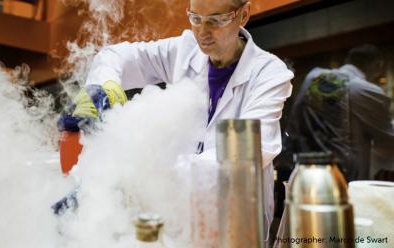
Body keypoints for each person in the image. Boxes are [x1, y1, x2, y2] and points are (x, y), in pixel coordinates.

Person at [64, 0, 294, 241]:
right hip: (177, 220)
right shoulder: (184, 49)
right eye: (195, 18)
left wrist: (141, 171)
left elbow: (248, 154)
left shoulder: (269, 73)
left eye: (215, 20)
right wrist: (103, 87)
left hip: (235, 222)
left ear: (243, 14)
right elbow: (115, 56)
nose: (202, 32)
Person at [287, 44, 394, 182]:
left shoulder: (314, 77)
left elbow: (295, 125)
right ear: (378, 65)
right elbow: (387, 145)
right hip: (346, 181)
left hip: (305, 172)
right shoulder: (366, 90)